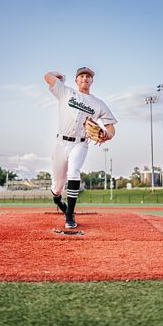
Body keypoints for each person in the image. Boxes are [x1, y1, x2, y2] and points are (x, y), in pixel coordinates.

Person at [43, 67, 117, 229]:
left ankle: (69, 215)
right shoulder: (65, 92)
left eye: (88, 77)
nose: (85, 78)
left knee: (74, 171)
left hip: (80, 143)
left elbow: (111, 129)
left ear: (92, 81)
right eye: (82, 76)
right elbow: (47, 77)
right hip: (60, 144)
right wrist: (60, 76)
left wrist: (106, 135)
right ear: (76, 80)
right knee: (57, 185)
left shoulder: (98, 104)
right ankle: (57, 198)